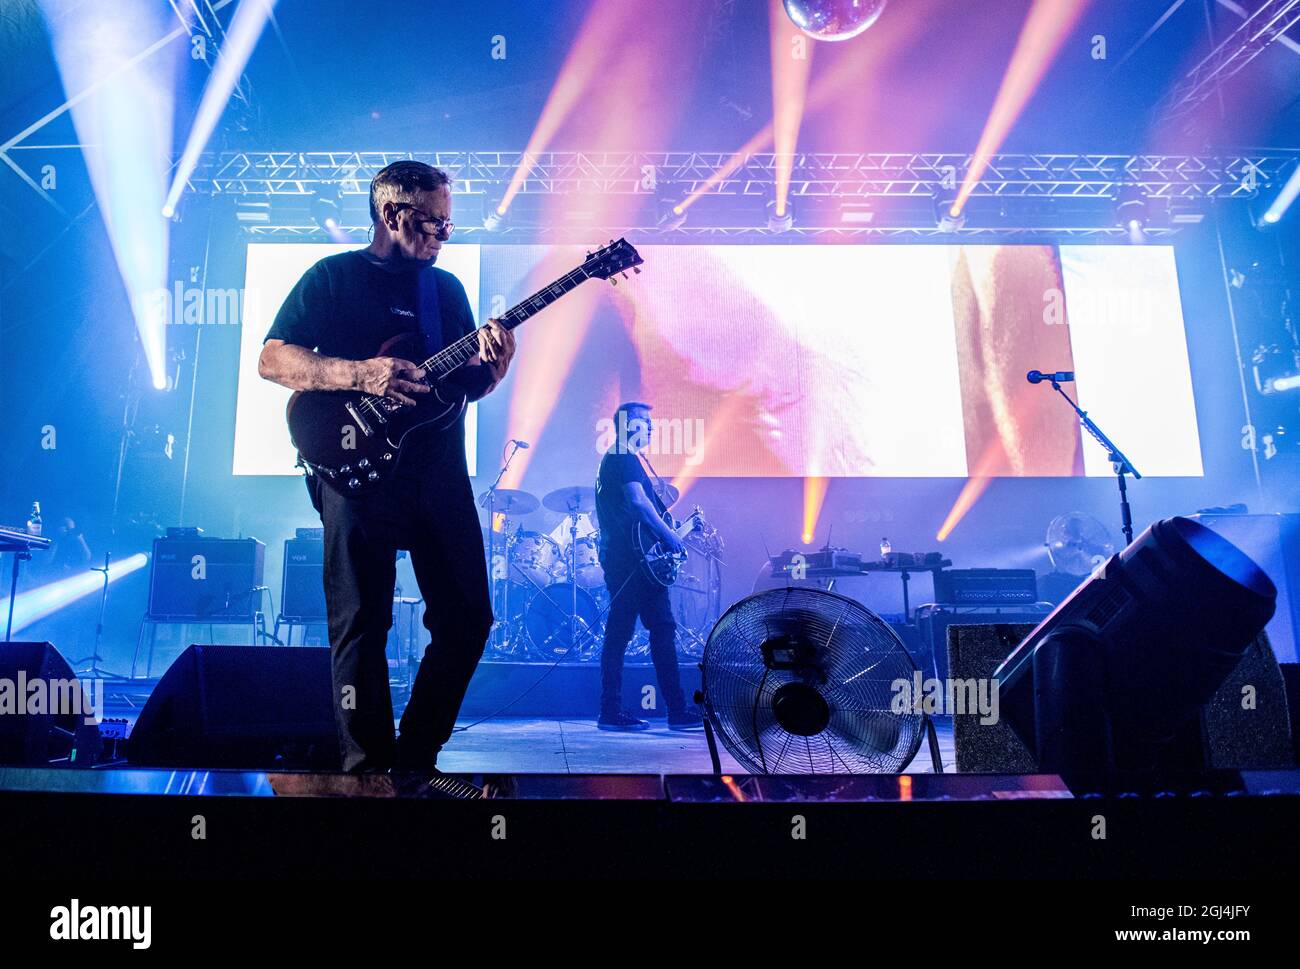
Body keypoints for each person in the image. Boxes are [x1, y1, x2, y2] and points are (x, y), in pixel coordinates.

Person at [258, 160, 515, 772]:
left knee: (468, 617)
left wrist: (494, 371)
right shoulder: (333, 277)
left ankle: (416, 756)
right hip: (355, 471)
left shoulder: (444, 291)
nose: (443, 236)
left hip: (438, 475)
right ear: (392, 214)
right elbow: (273, 360)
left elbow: (458, 386)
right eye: (433, 223)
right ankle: (366, 769)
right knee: (361, 623)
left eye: (450, 225)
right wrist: (357, 374)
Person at [594, 402, 703, 731]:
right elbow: (639, 505)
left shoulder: (626, 460)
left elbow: (648, 519)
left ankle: (674, 711)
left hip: (635, 562)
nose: (652, 428)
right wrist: (672, 535)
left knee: (657, 631)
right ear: (627, 425)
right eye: (644, 422)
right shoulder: (622, 457)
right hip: (630, 563)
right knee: (627, 634)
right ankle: (614, 713)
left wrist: (682, 529)